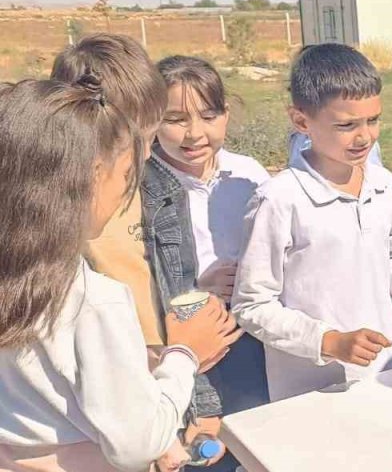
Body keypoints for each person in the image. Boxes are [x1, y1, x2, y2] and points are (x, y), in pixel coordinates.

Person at [0, 79, 239, 472]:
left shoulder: (22, 273)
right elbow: (137, 445)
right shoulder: (93, 299)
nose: (130, 188)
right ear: (93, 177)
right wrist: (185, 353)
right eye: (128, 173)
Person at [233, 43, 392, 401]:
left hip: (384, 373)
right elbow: (252, 305)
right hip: (311, 391)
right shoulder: (279, 200)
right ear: (301, 121)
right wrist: (328, 342)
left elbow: (385, 259)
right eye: (346, 125)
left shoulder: (382, 184)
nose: (364, 136)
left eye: (373, 120)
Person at [149, 56, 271, 470]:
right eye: (175, 119)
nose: (195, 133)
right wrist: (197, 289)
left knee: (257, 440)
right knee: (203, 453)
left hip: (254, 334)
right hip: (188, 346)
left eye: (209, 115)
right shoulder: (140, 189)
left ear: (226, 114)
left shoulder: (248, 175)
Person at [49, 34, 168, 348]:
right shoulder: (47, 209)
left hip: (161, 356)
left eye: (153, 137)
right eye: (133, 143)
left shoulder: (159, 190)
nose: (146, 155)